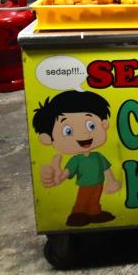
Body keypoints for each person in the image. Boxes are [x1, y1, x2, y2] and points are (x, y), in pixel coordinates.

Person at [33, 90, 121, 227]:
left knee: (95, 199)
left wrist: (112, 181)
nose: (84, 134)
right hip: (85, 184)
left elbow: (106, 169)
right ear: (49, 138)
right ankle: (78, 214)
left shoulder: (98, 156)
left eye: (91, 125)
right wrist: (58, 178)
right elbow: (68, 171)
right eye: (68, 131)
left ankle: (95, 213)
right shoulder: (76, 160)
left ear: (104, 124)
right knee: (83, 199)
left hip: (99, 183)